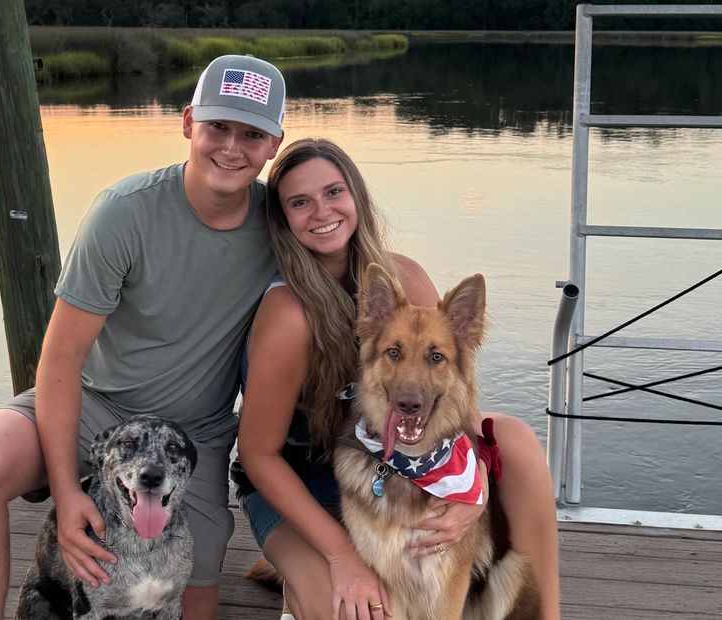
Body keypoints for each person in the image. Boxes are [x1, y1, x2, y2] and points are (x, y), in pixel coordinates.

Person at [0, 54, 286, 619]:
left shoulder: (282, 224)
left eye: (252, 134)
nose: (231, 147)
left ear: (274, 144)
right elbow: (60, 356)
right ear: (187, 122)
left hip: (194, 432)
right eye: (217, 126)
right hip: (97, 405)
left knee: (194, 586)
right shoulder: (123, 214)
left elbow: (358, 257)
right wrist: (67, 491)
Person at [234, 138, 561, 620]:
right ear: (283, 220)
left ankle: (546, 614)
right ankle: (299, 585)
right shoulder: (287, 313)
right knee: (358, 608)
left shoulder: (403, 275)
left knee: (514, 438)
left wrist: (476, 489)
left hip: (384, 463)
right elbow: (258, 457)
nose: (321, 211)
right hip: (300, 480)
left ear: (357, 198)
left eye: (333, 192)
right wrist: (342, 557)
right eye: (299, 202)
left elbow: (457, 393)